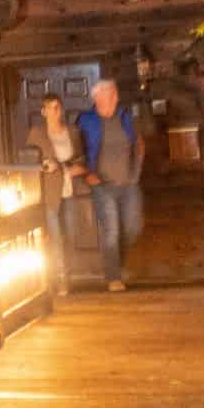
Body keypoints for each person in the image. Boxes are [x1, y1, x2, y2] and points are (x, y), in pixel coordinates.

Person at [76, 78, 145, 291]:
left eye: (115, 94)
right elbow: (77, 148)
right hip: (103, 185)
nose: (116, 98)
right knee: (111, 230)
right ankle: (113, 277)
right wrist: (87, 173)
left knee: (133, 227)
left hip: (128, 183)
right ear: (97, 98)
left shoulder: (124, 116)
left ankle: (118, 263)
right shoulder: (86, 120)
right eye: (111, 94)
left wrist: (136, 171)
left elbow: (139, 142)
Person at [24, 92, 86, 285]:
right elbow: (29, 161)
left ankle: (69, 272)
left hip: (69, 190)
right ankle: (61, 279)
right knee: (55, 237)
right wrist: (44, 165)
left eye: (58, 107)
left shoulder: (72, 132)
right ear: (43, 111)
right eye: (50, 108)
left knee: (70, 234)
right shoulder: (37, 133)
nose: (55, 112)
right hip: (50, 192)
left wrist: (78, 168)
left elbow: (81, 158)